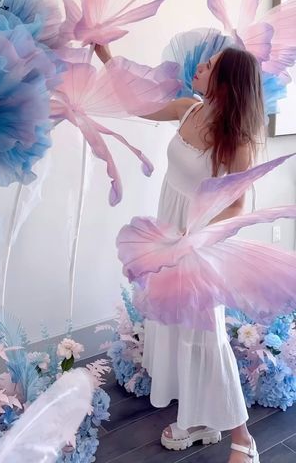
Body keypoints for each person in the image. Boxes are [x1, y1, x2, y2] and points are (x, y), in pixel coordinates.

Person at [95, 42, 265, 463]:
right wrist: (106, 55)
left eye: (210, 66)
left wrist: (195, 230)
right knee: (174, 326)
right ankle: (197, 418)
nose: (200, 66)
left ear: (226, 82)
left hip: (198, 237)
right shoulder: (187, 108)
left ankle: (244, 438)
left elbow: (240, 203)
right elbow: (138, 104)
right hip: (167, 229)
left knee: (205, 332)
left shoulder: (236, 138)